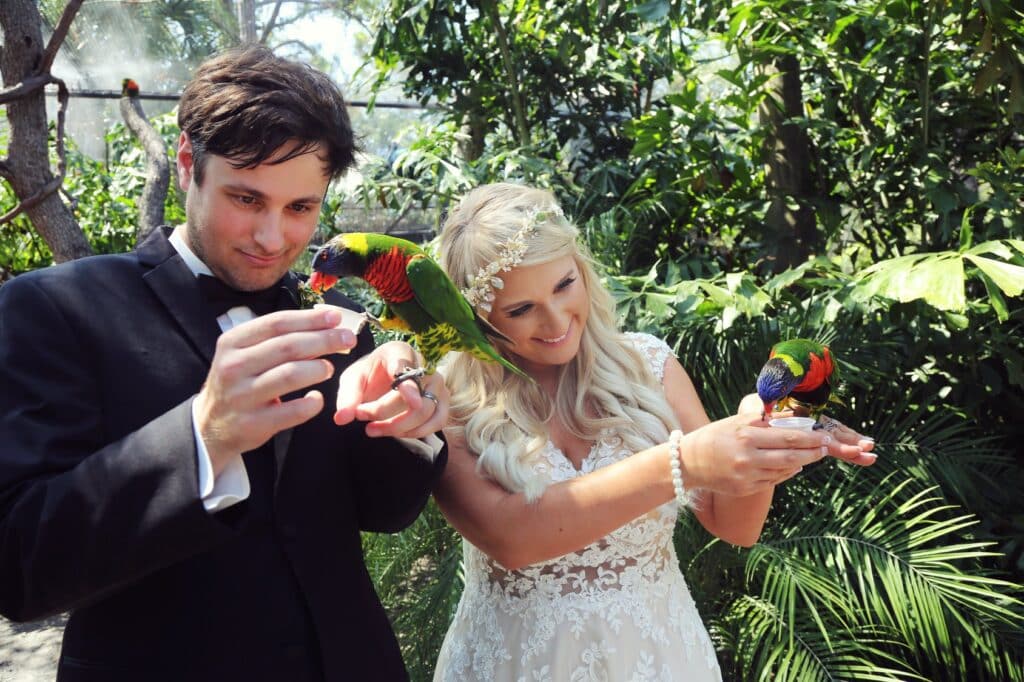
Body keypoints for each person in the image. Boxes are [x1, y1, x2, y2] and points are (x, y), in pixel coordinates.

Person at [0, 45, 448, 681]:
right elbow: (19, 567)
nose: (273, 239)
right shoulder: (54, 309)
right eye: (246, 199)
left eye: (301, 208)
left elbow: (382, 512)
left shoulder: (340, 317)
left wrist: (407, 429)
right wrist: (201, 435)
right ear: (187, 163)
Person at [431, 183, 876, 681]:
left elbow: (735, 526)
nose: (555, 320)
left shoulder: (649, 364)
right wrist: (682, 463)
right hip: (518, 665)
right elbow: (513, 538)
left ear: (582, 269)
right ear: (475, 315)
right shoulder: (448, 402)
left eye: (564, 285)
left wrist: (762, 427)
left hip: (658, 656)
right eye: (520, 309)